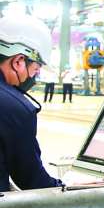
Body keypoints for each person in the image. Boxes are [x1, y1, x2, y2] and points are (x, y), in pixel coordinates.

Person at [0, 13, 63, 192]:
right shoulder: (14, 107)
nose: (33, 78)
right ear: (19, 61)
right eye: (35, 70)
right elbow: (33, 182)